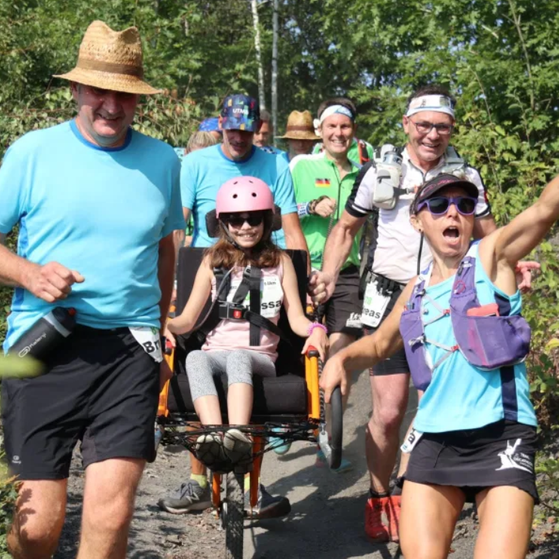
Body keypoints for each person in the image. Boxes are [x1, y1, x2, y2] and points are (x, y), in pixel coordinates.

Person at [0, 20, 184, 559]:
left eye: (124, 94)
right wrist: (30, 273)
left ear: (138, 101)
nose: (111, 104)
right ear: (77, 89)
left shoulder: (163, 160)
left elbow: (164, 247)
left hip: (130, 349)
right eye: (100, 90)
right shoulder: (33, 152)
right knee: (36, 527)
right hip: (43, 346)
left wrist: (161, 330)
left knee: (111, 516)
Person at [320, 171, 551, 559]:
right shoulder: (417, 287)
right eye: (440, 205)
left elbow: (546, 209)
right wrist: (342, 358)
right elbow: (379, 344)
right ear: (418, 219)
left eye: (464, 205)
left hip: (502, 434)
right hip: (435, 440)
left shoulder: (492, 258)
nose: (454, 214)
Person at [310, 85, 496, 542]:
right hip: (388, 297)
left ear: (452, 129)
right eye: (424, 125)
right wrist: (330, 275)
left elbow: (492, 235)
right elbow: (347, 227)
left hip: (448, 295)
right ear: (407, 125)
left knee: (430, 401)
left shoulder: (465, 175)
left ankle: (410, 489)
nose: (433, 135)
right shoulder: (381, 171)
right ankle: (378, 496)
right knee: (389, 411)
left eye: (443, 126)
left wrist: (510, 272)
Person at [159, 93, 308, 518]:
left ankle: (244, 460)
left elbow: (292, 232)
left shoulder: (274, 166)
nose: (239, 137)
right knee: (198, 360)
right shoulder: (197, 166)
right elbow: (177, 226)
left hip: (260, 316)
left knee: (240, 358)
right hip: (210, 270)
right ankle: (206, 459)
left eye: (247, 130)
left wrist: (305, 282)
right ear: (220, 127)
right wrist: (166, 296)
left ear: (257, 128)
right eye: (232, 129)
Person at [165, 177, 327, 477]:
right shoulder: (212, 261)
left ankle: (237, 435)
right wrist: (164, 324)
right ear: (224, 224)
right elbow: (187, 319)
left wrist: (317, 328)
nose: (245, 226)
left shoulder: (280, 262)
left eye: (253, 218)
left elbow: (296, 319)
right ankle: (214, 436)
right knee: (194, 357)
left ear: (266, 221)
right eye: (236, 220)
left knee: (239, 357)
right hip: (216, 351)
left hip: (259, 357)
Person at [288, 98, 365, 468]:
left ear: (353, 131)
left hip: (346, 274)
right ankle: (284, 423)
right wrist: (310, 206)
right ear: (320, 129)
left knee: (340, 355)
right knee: (295, 349)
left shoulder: (363, 172)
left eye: (345, 127)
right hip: (300, 268)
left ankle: (329, 436)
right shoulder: (301, 165)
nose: (338, 133)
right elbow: (276, 213)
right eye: (332, 126)